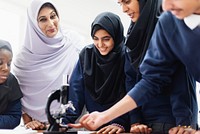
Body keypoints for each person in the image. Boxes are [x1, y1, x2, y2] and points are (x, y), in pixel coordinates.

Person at [68, 0, 200, 133]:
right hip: (149, 121)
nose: (165, 5)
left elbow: (180, 81)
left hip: (171, 118)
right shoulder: (168, 22)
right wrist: (105, 117)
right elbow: (151, 81)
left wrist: (185, 122)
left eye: (127, 1)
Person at [12, 0, 84, 130]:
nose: (51, 23)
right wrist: (28, 122)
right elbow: (21, 96)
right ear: (34, 24)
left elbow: (83, 84)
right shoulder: (23, 59)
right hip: (39, 128)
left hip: (72, 123)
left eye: (53, 16)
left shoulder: (74, 43)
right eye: (43, 19)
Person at [64, 12, 130, 133]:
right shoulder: (87, 55)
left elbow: (129, 92)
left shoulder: (126, 55)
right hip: (95, 124)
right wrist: (64, 122)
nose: (100, 45)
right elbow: (75, 92)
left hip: (122, 126)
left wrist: (120, 123)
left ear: (116, 36)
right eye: (95, 39)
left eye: (106, 39)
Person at [0, 39, 23, 129]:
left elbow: (14, 117)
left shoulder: (11, 81)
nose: (6, 68)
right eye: (0, 62)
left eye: (9, 64)